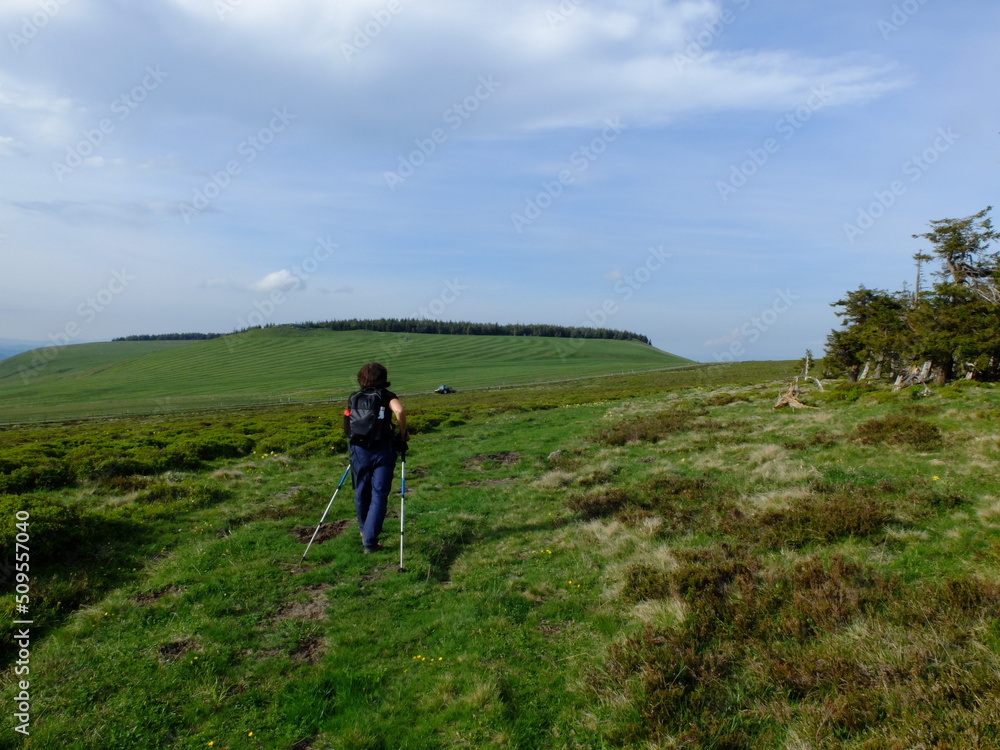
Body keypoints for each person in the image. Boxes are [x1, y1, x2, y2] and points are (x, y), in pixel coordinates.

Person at [345, 362, 407, 554]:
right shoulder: (387, 396)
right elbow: (400, 411)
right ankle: (370, 541)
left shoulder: (354, 397)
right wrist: (403, 434)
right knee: (379, 494)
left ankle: (364, 531)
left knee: (362, 491)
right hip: (383, 450)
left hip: (359, 451)